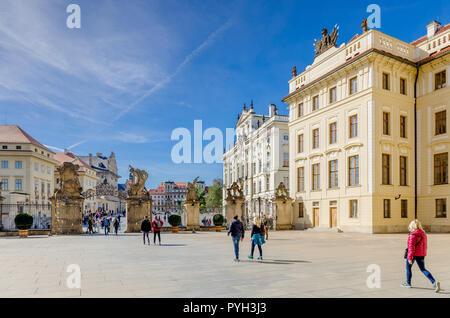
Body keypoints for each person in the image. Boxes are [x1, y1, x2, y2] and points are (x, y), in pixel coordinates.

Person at [401, 219, 440, 292]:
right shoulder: (423, 234)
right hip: (421, 254)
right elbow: (425, 246)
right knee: (423, 269)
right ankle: (434, 282)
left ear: (412, 226)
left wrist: (409, 258)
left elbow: (411, 247)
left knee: (408, 268)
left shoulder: (412, 235)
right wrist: (423, 253)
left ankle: (408, 283)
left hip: (413, 254)